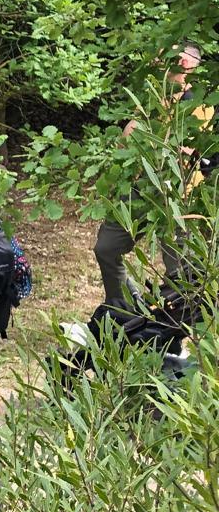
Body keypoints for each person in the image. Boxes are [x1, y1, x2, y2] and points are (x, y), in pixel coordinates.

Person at [93, 43, 208, 311]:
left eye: (165, 57)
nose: (157, 62)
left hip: (178, 200)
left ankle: (177, 330)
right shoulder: (155, 99)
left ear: (185, 63)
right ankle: (125, 309)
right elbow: (128, 139)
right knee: (107, 248)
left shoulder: (202, 104)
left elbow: (189, 154)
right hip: (139, 191)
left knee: (181, 273)